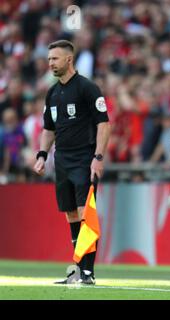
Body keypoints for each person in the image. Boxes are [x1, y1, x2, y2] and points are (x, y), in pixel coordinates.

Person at [33, 40, 111, 285]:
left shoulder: (87, 88)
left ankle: (88, 272)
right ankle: (78, 269)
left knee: (85, 213)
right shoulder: (53, 92)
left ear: (68, 59)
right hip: (62, 159)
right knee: (70, 214)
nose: (50, 63)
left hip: (84, 158)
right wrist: (42, 155)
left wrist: (98, 157)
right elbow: (49, 128)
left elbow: (103, 123)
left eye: (55, 59)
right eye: (49, 59)